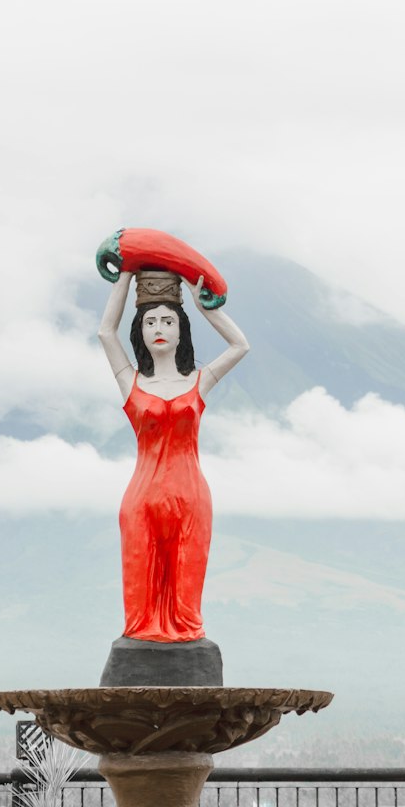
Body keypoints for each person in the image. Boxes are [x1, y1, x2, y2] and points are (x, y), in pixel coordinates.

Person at [97, 269, 249, 642]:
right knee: (139, 598)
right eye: (150, 321)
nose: (159, 327)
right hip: (142, 499)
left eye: (168, 320)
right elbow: (105, 333)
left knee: (186, 597)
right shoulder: (130, 380)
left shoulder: (199, 380)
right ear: (140, 331)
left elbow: (240, 346)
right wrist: (125, 275)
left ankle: (184, 635)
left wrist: (205, 307)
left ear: (182, 329)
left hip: (191, 496)